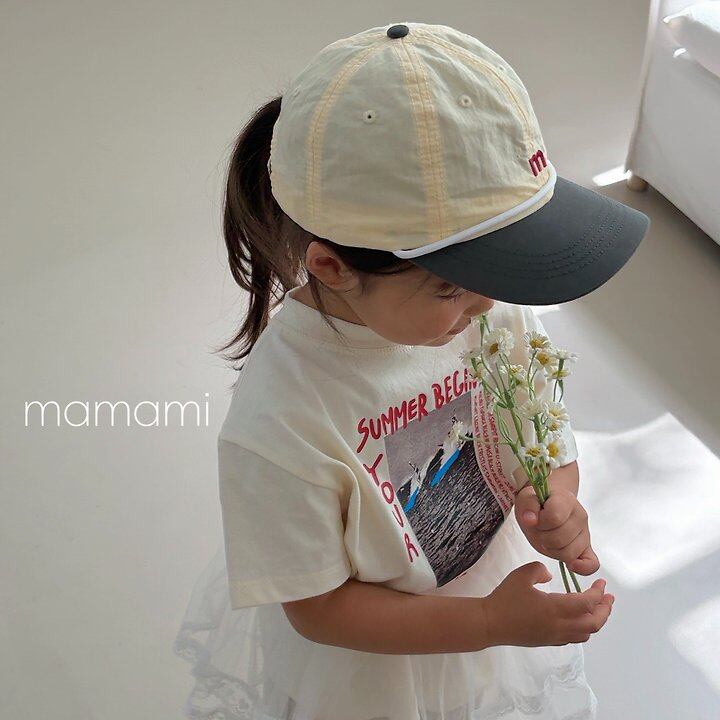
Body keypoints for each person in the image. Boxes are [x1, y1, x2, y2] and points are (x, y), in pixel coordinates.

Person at [173, 21, 650, 720]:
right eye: (450, 286)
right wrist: (484, 623)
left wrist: (554, 501)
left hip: (492, 600)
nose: (488, 303)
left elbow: (542, 439)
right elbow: (319, 606)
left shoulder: (486, 309)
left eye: (500, 269)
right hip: (381, 665)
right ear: (332, 266)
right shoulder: (282, 416)